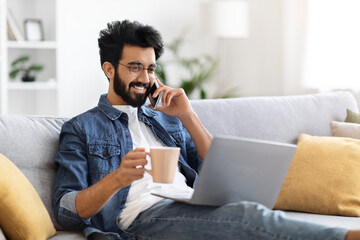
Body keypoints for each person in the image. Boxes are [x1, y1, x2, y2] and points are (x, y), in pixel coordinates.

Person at [52, 20, 360, 240]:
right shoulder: (81, 128)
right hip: (139, 216)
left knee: (243, 212)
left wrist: (187, 115)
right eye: (134, 67)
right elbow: (67, 209)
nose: (144, 78)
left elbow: (215, 167)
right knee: (245, 218)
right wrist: (117, 178)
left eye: (150, 68)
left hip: (188, 204)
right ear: (109, 69)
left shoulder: (165, 120)